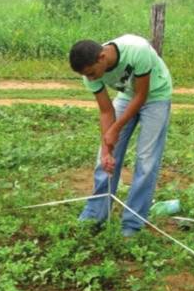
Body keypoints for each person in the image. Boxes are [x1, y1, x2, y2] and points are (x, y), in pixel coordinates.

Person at [69, 35, 172, 236]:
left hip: (156, 95)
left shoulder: (137, 50)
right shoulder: (88, 73)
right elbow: (106, 111)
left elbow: (142, 96)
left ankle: (132, 224)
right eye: (86, 76)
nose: (91, 79)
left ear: (102, 57)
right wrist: (107, 149)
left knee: (146, 160)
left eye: (92, 73)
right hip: (127, 95)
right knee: (104, 158)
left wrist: (116, 129)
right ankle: (95, 216)